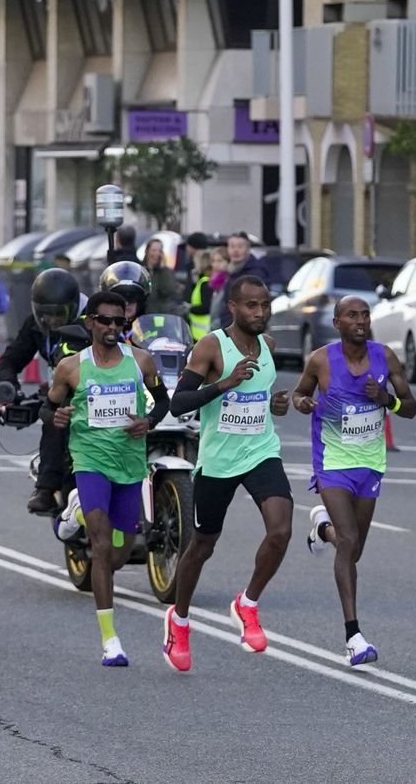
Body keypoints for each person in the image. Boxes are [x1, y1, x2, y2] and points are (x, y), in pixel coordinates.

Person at [162, 273, 292, 672]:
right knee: (202, 545)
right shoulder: (211, 346)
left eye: (265, 304)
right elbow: (179, 403)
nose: (260, 312)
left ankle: (247, 603)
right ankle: (179, 621)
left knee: (280, 529)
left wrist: (276, 405)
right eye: (252, 305)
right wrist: (223, 384)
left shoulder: (268, 345)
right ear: (233, 307)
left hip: (260, 452)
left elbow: (259, 398)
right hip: (218, 461)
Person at [41, 290, 170, 666]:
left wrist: (150, 420)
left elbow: (162, 401)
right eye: (106, 321)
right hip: (91, 460)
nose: (113, 328)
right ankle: (110, 640)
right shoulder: (71, 367)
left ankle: (77, 511)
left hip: (129, 464)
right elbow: (49, 408)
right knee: (100, 547)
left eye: (120, 322)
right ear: (90, 322)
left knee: (117, 554)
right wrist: (57, 417)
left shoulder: (141, 361)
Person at [292, 295, 416, 667]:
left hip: (370, 463)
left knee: (353, 548)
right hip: (332, 462)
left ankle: (322, 529)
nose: (360, 321)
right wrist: (302, 403)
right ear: (337, 322)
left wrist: (387, 400)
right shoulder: (320, 360)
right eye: (352, 316)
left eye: (364, 315)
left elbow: (411, 407)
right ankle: (354, 636)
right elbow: (300, 393)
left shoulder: (385, 357)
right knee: (349, 542)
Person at [0, 267, 89, 514]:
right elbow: (10, 359)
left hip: (99, 387)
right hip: (63, 391)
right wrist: (8, 385)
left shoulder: (94, 319)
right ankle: (46, 487)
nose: (52, 321)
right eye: (46, 315)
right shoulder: (36, 325)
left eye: (59, 315)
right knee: (56, 415)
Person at [215, 233, 271, 328]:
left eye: (240, 246)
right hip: (228, 327)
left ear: (248, 250)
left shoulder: (256, 273)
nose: (235, 250)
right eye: (232, 246)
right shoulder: (230, 272)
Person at [141, 238, 181, 314]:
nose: (157, 254)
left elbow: (169, 290)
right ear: (147, 251)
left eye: (160, 251)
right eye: (154, 250)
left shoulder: (166, 272)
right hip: (144, 316)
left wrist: (163, 269)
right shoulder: (141, 271)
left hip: (162, 316)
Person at [187, 250, 215, 340]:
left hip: (203, 333)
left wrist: (189, 309)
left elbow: (206, 307)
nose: (194, 266)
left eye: (196, 263)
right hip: (200, 333)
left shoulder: (205, 283)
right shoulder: (202, 282)